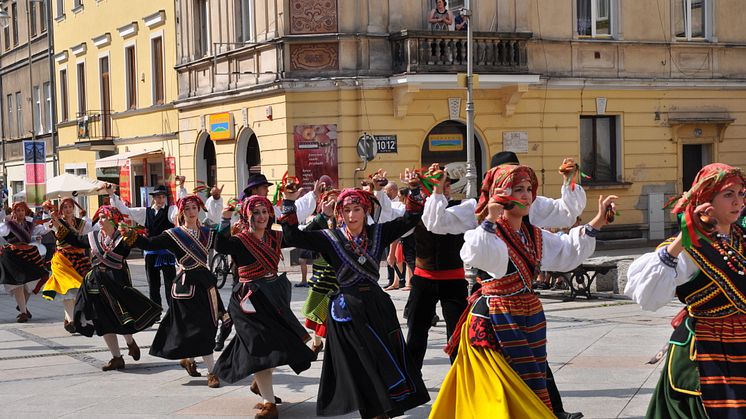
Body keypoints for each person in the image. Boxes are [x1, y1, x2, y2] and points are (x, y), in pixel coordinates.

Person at [430, 164, 616, 418]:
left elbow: (565, 251)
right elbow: (480, 254)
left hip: (526, 318)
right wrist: (489, 220)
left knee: (530, 385)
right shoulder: (489, 233)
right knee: (499, 395)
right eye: (518, 190)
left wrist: (597, 222)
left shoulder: (533, 235)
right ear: (501, 193)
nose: (526, 195)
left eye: (528, 189)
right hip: (495, 322)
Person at [279, 170, 431, 419]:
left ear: (365, 211)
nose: (352, 215)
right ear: (339, 213)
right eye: (347, 210)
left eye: (357, 209)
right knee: (360, 362)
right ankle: (373, 411)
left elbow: (411, 219)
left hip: (376, 305)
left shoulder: (378, 234)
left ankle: (382, 408)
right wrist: (288, 200)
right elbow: (293, 236)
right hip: (347, 310)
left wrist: (414, 188)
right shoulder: (331, 238)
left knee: (383, 357)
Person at [625, 163, 746, 419]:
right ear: (706, 199)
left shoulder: (741, 238)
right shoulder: (687, 247)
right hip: (707, 349)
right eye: (728, 195)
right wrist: (683, 240)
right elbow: (648, 297)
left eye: (741, 194)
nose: (738, 202)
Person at [213, 195, 316, 419]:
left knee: (269, 346)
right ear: (247, 215)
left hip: (272, 298)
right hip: (247, 300)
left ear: (270, 215)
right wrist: (225, 217)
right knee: (259, 346)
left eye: (264, 212)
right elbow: (219, 244)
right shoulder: (240, 240)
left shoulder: (275, 237)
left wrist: (296, 211)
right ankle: (269, 403)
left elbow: (297, 236)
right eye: (256, 212)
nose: (260, 217)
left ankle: (259, 383)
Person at [51, 205, 161, 371]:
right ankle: (116, 357)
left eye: (103, 217)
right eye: (99, 217)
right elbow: (75, 240)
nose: (100, 221)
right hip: (95, 283)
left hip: (116, 283)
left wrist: (132, 235)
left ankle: (130, 343)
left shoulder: (122, 238)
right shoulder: (93, 236)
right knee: (102, 320)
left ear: (113, 220)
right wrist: (59, 224)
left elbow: (143, 244)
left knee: (121, 317)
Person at [131, 195, 222, 388]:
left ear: (199, 210)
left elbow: (228, 245)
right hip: (185, 284)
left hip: (205, 283)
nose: (191, 212)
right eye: (187, 209)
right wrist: (132, 237)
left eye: (194, 208)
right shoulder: (173, 234)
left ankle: (196, 362)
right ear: (181, 212)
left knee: (207, 326)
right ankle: (211, 372)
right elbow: (149, 244)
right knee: (189, 326)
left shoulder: (208, 233)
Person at [110, 184, 177, 311]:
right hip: (151, 253)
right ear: (154, 198)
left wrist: (182, 189)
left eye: (163, 197)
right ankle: (156, 310)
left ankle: (173, 310)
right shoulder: (146, 212)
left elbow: (179, 212)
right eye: (158, 197)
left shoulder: (170, 210)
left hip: (166, 253)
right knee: (153, 284)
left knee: (170, 284)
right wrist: (113, 195)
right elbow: (125, 211)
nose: (161, 200)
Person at [42, 198, 93, 333]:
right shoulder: (56, 221)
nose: (68, 210)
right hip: (62, 258)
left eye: (70, 207)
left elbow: (91, 233)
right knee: (67, 287)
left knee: (80, 288)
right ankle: (71, 320)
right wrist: (49, 214)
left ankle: (70, 317)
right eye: (65, 207)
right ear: (61, 209)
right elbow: (45, 229)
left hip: (78, 258)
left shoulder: (82, 223)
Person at [0, 201, 49, 323]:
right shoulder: (9, 224)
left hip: (27, 254)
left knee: (34, 280)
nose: (20, 212)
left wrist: (47, 213)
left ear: (26, 211)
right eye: (17, 210)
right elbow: (2, 232)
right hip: (12, 255)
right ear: (13, 211)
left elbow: (44, 229)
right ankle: (23, 312)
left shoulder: (30, 224)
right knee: (18, 283)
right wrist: (8, 221)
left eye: (22, 210)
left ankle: (22, 306)